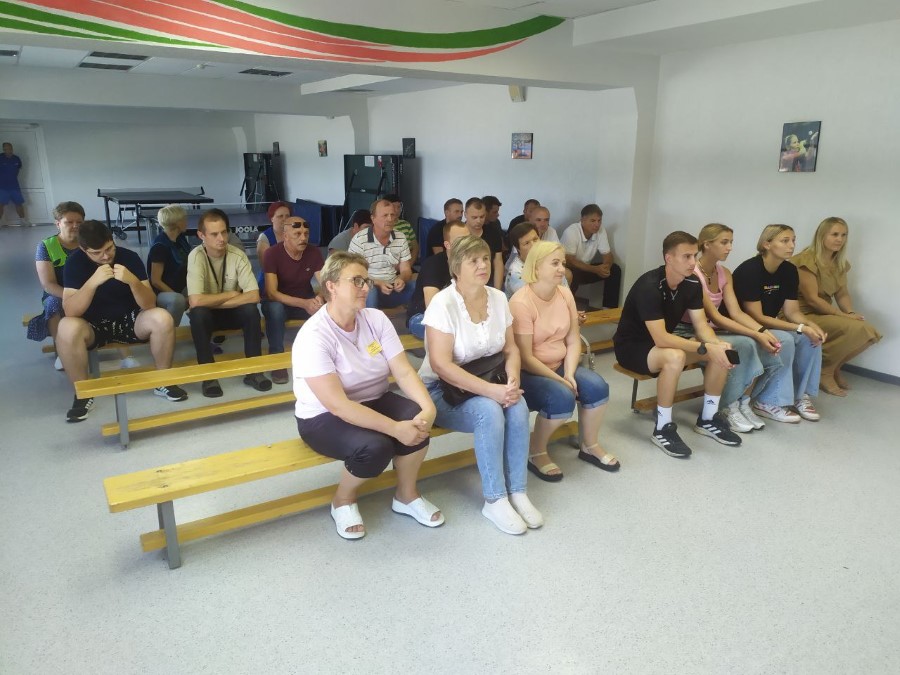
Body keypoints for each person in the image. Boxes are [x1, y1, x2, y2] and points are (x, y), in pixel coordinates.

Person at [292, 252, 442, 540]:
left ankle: (406, 495)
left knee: (418, 420)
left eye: (367, 281)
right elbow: (338, 406)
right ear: (332, 286)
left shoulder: (375, 319)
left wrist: (428, 407)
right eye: (357, 281)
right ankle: (343, 500)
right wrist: (395, 428)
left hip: (373, 398)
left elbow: (403, 371)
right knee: (375, 446)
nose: (365, 287)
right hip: (322, 416)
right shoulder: (314, 336)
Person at [419, 235, 543, 535]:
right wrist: (493, 392)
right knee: (489, 411)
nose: (483, 265)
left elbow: (511, 349)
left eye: (485, 258)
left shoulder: (498, 298)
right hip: (442, 390)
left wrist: (512, 379)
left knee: (518, 406)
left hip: (491, 380)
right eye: (473, 260)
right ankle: (495, 499)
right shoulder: (443, 303)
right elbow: (441, 365)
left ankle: (518, 491)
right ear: (456, 268)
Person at [613, 231, 742, 457]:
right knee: (676, 356)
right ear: (668, 258)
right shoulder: (649, 285)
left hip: (662, 346)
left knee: (720, 351)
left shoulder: (691, 283)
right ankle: (663, 428)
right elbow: (661, 338)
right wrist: (704, 347)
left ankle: (708, 418)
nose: (693, 262)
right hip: (632, 348)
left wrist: (715, 344)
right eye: (686, 257)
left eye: (694, 256)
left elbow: (701, 326)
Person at [57, 220, 187, 422]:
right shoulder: (75, 262)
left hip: (130, 320)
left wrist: (132, 281)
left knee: (162, 318)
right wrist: (92, 283)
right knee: (66, 326)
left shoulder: (129, 257)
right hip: (92, 325)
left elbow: (149, 304)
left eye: (109, 248)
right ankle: (83, 394)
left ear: (112, 240)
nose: (106, 256)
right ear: (83, 249)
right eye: (97, 253)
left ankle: (164, 381)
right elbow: (70, 310)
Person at [511, 242, 616, 481]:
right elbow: (525, 357)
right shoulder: (520, 302)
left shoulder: (564, 293)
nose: (562, 269)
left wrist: (568, 373)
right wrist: (560, 380)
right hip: (529, 372)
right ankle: (536, 451)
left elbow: (572, 339)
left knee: (598, 386)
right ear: (536, 268)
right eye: (555, 263)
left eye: (563, 263)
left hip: (560, 364)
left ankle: (589, 445)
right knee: (562, 396)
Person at [676, 224, 784, 433]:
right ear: (707, 244)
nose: (730, 248)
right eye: (724, 242)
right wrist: (756, 334)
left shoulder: (724, 273)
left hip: (711, 328)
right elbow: (715, 316)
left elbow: (736, 313)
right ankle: (727, 405)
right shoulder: (693, 273)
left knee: (755, 342)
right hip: (690, 329)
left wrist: (762, 332)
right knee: (743, 343)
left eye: (731, 242)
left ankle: (743, 402)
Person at [732, 224, 826, 422]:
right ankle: (767, 401)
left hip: (768, 324)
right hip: (744, 325)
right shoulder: (750, 270)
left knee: (811, 340)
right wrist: (800, 328)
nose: (791, 245)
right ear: (766, 244)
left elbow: (792, 312)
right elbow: (756, 316)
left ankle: (800, 396)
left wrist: (810, 326)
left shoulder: (789, 270)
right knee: (785, 339)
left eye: (793, 240)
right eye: (785, 241)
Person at [792, 217, 881, 396]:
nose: (840, 239)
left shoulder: (839, 262)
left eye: (844, 235)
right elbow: (812, 299)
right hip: (801, 314)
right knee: (858, 329)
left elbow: (842, 294)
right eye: (834, 234)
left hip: (823, 313)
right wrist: (844, 316)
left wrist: (850, 312)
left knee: (870, 334)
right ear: (821, 235)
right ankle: (825, 372)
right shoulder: (805, 260)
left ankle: (833, 368)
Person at [187, 208, 271, 398]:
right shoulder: (196, 257)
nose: (221, 238)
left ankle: (254, 372)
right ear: (201, 235)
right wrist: (230, 294)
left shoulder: (237, 255)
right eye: (214, 234)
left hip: (230, 310)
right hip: (208, 315)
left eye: (224, 232)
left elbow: (254, 296)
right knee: (198, 314)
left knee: (251, 311)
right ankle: (208, 377)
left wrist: (215, 302)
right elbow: (195, 300)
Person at [261, 216, 325, 384]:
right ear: (285, 236)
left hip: (304, 299)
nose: (303, 238)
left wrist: (319, 298)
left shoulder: (313, 252)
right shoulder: (272, 254)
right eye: (297, 234)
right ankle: (277, 361)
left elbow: (326, 284)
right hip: (278, 302)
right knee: (275, 309)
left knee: (326, 307)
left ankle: (322, 356)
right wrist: (304, 303)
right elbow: (272, 293)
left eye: (306, 234)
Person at [28, 202, 84, 363]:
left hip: (86, 290)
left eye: (79, 222)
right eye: (69, 222)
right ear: (58, 223)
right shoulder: (46, 246)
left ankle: (124, 353)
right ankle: (61, 353)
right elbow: (48, 284)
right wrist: (73, 298)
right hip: (59, 293)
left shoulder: (89, 242)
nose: (75, 226)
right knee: (53, 303)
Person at [406, 220, 468, 340]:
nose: (467, 244)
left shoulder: (469, 263)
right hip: (422, 316)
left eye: (468, 239)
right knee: (455, 334)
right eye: (460, 240)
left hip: (456, 314)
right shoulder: (433, 265)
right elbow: (432, 308)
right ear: (447, 245)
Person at [348, 199, 414, 309]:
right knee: (371, 291)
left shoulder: (401, 237)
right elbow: (353, 275)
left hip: (391, 287)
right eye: (385, 215)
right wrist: (378, 283)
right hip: (369, 287)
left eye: (392, 215)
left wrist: (402, 279)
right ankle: (371, 318)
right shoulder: (359, 240)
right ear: (373, 218)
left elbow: (406, 270)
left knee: (417, 286)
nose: (390, 219)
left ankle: (414, 318)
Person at [561, 204, 622, 308]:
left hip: (587, 268)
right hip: (569, 269)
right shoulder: (571, 231)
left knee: (615, 269)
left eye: (599, 220)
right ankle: (567, 308)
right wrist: (595, 269)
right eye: (593, 221)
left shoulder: (601, 230)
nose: (597, 224)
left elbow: (608, 254)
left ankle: (608, 309)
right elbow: (570, 260)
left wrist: (606, 267)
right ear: (582, 220)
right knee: (573, 273)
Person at [146, 204, 192, 328]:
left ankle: (201, 327)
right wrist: (181, 297)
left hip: (180, 286)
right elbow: (156, 281)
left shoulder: (180, 238)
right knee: (178, 300)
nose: (187, 221)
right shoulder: (160, 246)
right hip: (162, 293)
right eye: (184, 219)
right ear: (177, 223)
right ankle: (169, 331)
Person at [463, 198, 504, 289]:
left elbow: (498, 262)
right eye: (474, 217)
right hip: (464, 282)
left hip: (488, 281)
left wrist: (497, 290)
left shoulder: (493, 233)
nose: (479, 221)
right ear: (465, 215)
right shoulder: (458, 233)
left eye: (482, 217)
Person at [504, 221, 540, 298]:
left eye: (535, 239)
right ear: (518, 248)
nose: (534, 245)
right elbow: (532, 299)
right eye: (527, 243)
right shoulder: (515, 273)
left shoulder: (548, 259)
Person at [0, 142, 30, 227]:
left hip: (14, 186)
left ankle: (23, 221)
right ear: (3, 149)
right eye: (5, 149)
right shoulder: (0, 157)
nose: (7, 150)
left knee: (19, 203)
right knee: (0, 204)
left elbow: (18, 170)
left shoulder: (16, 158)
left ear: (12, 148)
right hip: (2, 187)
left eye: (9, 148)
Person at [382, 193, 418, 264]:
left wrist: (409, 265)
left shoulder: (406, 224)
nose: (397, 210)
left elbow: (415, 247)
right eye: (394, 207)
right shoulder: (382, 226)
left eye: (399, 207)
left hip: (407, 263)